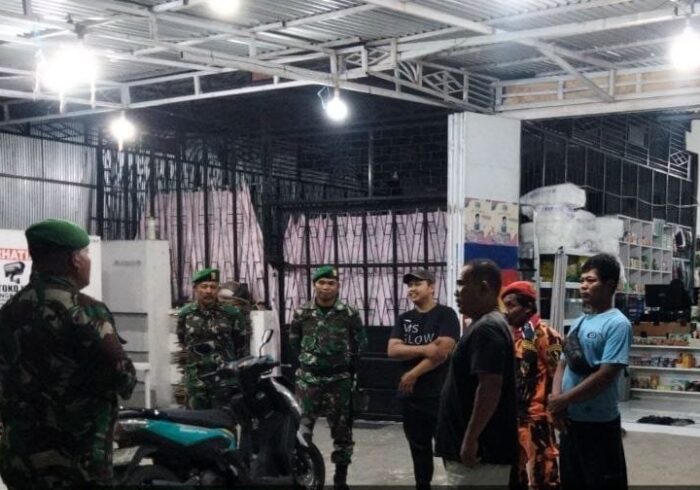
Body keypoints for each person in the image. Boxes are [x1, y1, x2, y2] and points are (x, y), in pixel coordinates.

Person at [0, 218, 137, 488]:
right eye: (86, 254)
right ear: (75, 260)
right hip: (75, 461)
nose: (88, 261)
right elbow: (123, 377)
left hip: (20, 458)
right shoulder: (84, 310)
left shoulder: (8, 311)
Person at [547, 253, 631, 490]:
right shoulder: (579, 322)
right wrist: (557, 402)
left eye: (591, 280)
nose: (583, 286)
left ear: (610, 285)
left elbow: (606, 375)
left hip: (599, 424)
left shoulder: (618, 324)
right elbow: (562, 363)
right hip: (571, 422)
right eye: (582, 280)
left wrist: (563, 400)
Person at [434, 259, 517, 487]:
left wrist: (471, 439)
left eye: (462, 284)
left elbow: (490, 386)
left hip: (481, 455)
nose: (456, 291)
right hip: (474, 450)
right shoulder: (484, 324)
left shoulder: (487, 329)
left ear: (483, 288)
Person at [289, 265, 366, 490]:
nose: (326, 287)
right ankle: (303, 476)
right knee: (301, 432)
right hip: (308, 382)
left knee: (342, 434)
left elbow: (360, 343)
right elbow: (294, 342)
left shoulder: (349, 313)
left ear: (338, 286)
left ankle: (340, 480)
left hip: (338, 382)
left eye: (331, 283)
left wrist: (343, 363)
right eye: (321, 283)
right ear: (314, 285)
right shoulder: (302, 312)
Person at [388, 269, 459, 490]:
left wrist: (413, 373)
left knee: (448, 447)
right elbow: (392, 350)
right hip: (411, 397)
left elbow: (442, 352)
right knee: (418, 448)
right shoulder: (404, 319)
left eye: (417, 284)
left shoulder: (446, 314)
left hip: (439, 395)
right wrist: (425, 348)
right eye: (409, 285)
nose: (412, 289)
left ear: (431, 287)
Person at [501, 281, 562, 490]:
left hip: (537, 416)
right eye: (505, 306)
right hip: (513, 414)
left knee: (543, 473)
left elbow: (558, 373)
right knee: (515, 473)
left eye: (511, 305)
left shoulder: (546, 334)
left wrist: (554, 410)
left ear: (528, 307)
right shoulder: (511, 335)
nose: (506, 311)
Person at [177, 268, 248, 409]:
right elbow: (183, 340)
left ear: (218, 290)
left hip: (224, 378)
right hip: (196, 378)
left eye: (213, 287)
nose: (208, 291)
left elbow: (240, 344)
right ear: (195, 289)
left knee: (225, 417)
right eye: (204, 286)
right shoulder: (186, 314)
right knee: (196, 419)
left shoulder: (232, 313)